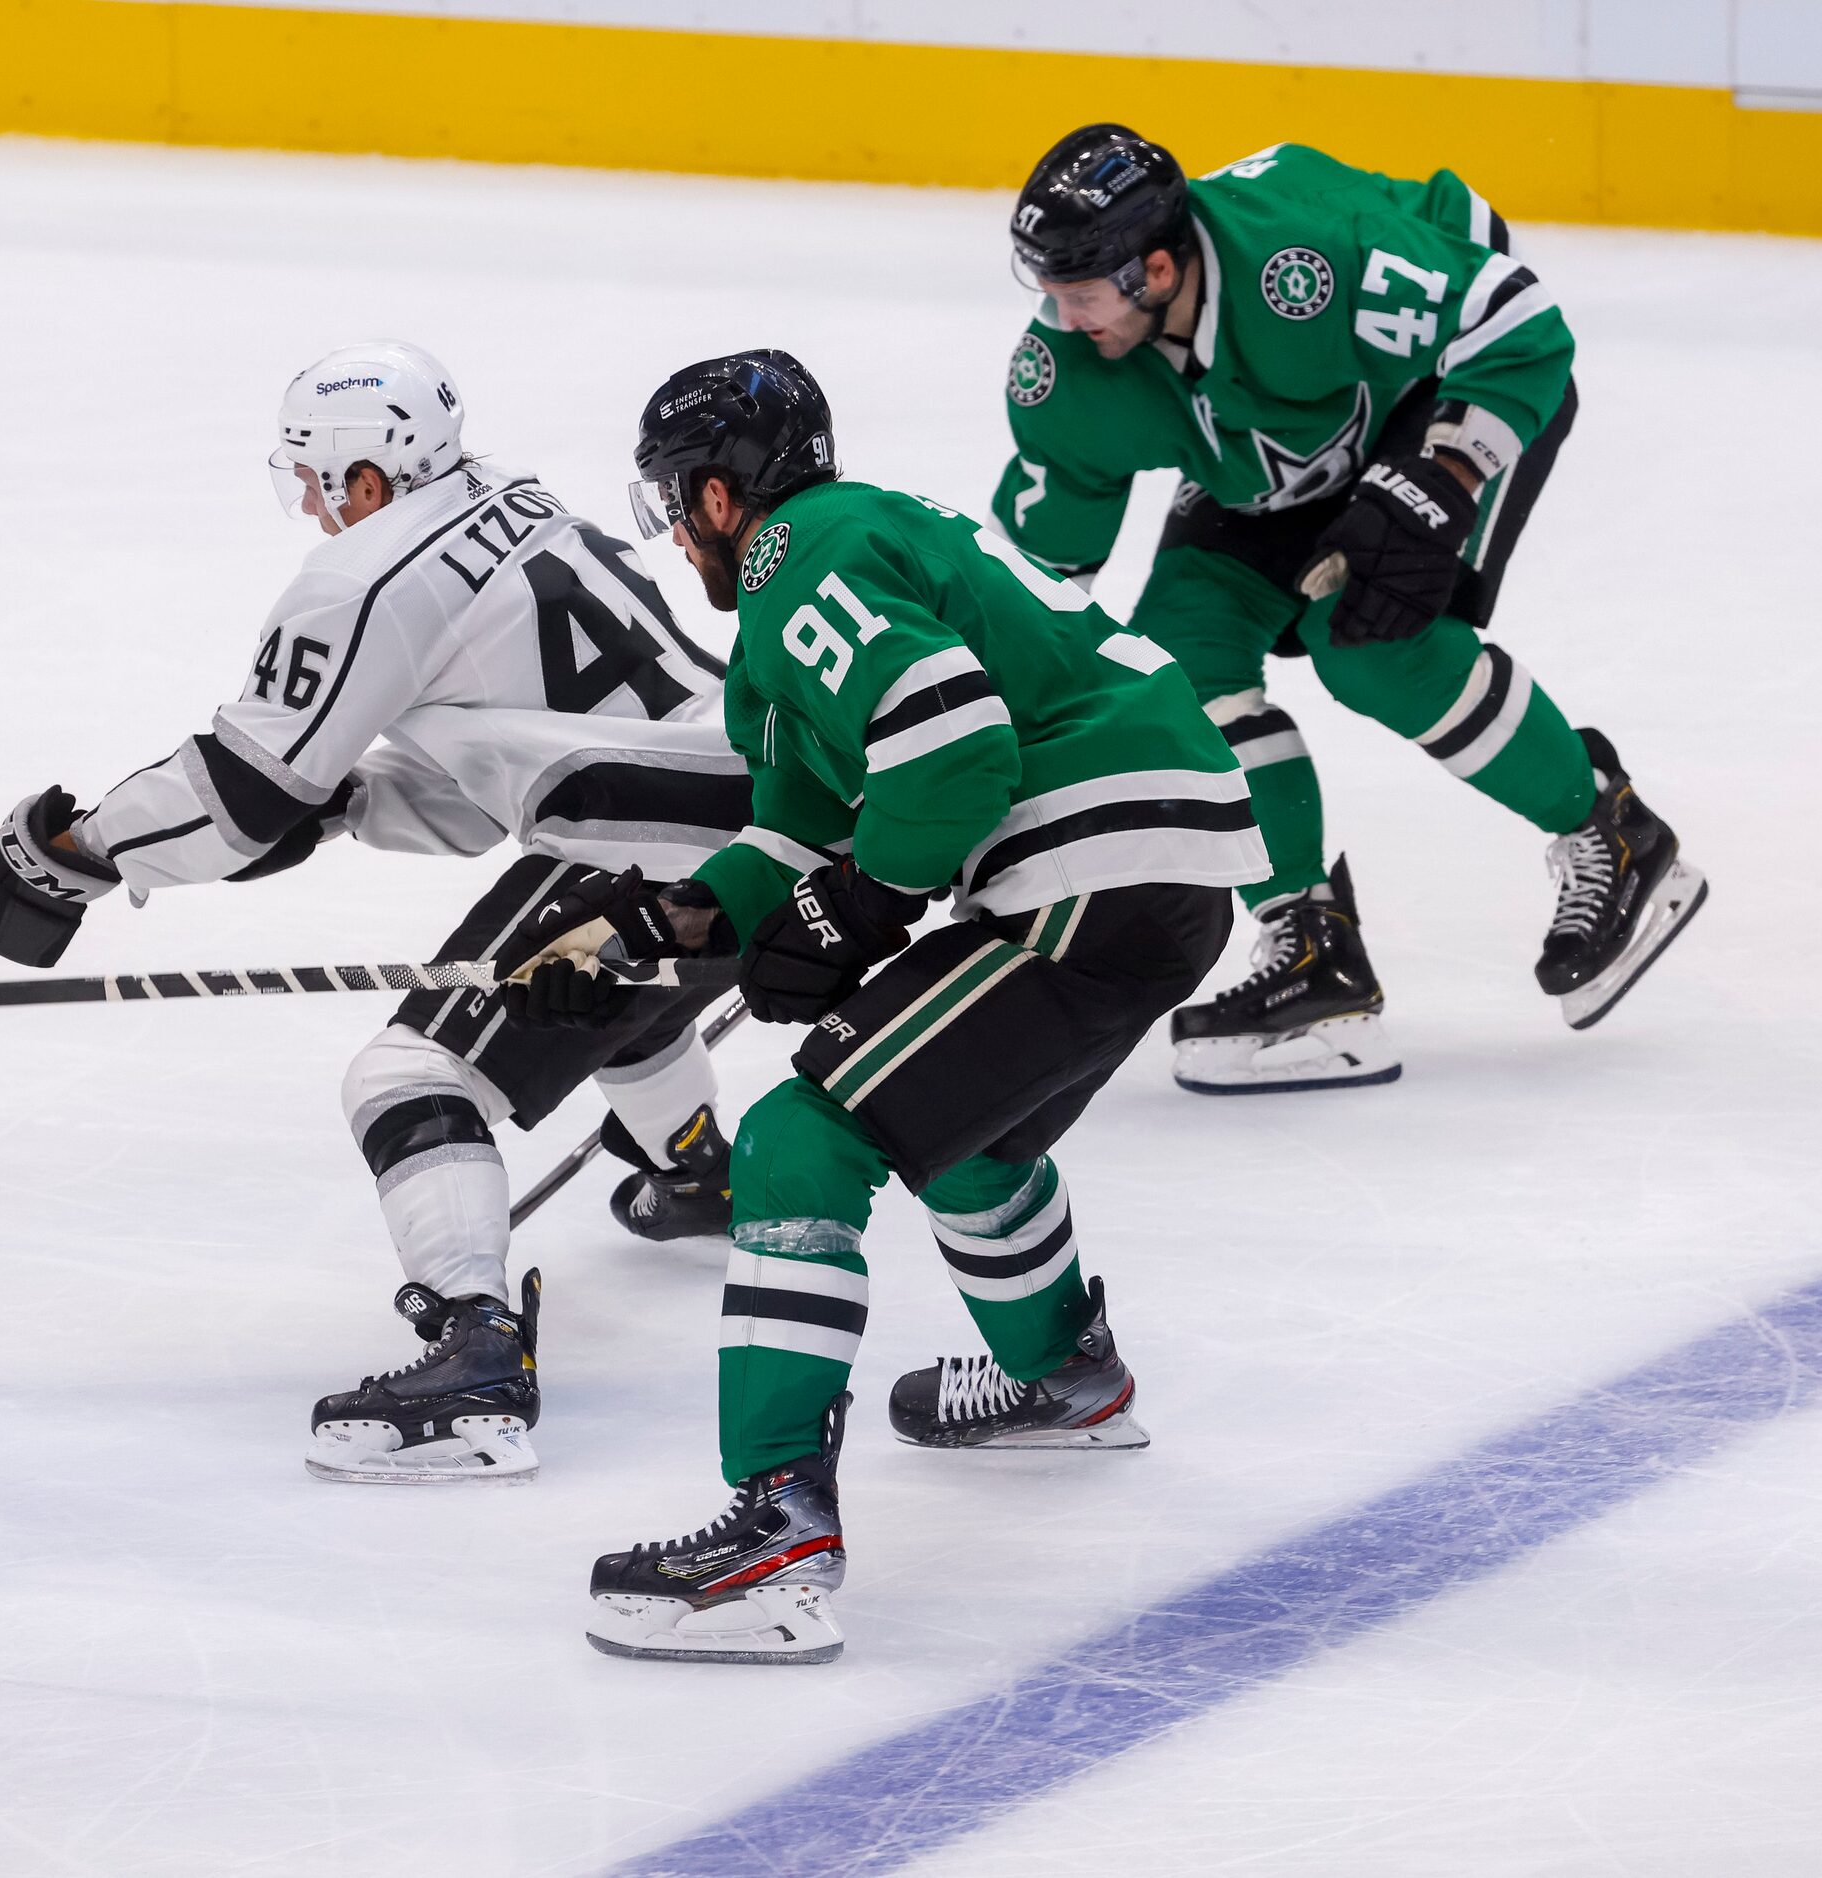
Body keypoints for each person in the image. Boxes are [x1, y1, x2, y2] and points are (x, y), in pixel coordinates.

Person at [501, 350, 1267, 1663]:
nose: (680, 532)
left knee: (804, 1137)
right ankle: (1062, 1372)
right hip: (1152, 865)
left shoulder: (808, 546)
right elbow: (800, 835)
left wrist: (861, 904)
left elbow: (956, 747)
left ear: (723, 495)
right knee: (974, 1129)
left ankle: (780, 1524)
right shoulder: (831, 576)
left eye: (679, 502)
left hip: (1088, 859)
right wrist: (656, 925)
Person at [0, 341, 750, 1484]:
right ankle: (698, 1166)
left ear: (365, 480)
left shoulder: (365, 574)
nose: (316, 511)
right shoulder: (516, 501)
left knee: (408, 1079)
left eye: (318, 485)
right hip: (759, 823)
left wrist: (74, 851)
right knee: (620, 998)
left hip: (634, 842)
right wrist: (346, 801)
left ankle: (474, 1357)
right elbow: (472, 778)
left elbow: (239, 792)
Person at [993, 126, 1707, 1092]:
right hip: (1270, 447)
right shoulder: (1068, 369)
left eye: (1079, 295)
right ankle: (1311, 949)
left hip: (1434, 396)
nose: (1061, 319)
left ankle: (1613, 830)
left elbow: (1519, 324)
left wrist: (1441, 480)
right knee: (1175, 671)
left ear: (1154, 269)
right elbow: (1039, 581)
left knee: (1369, 642)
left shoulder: (1304, 259)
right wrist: (974, 704)